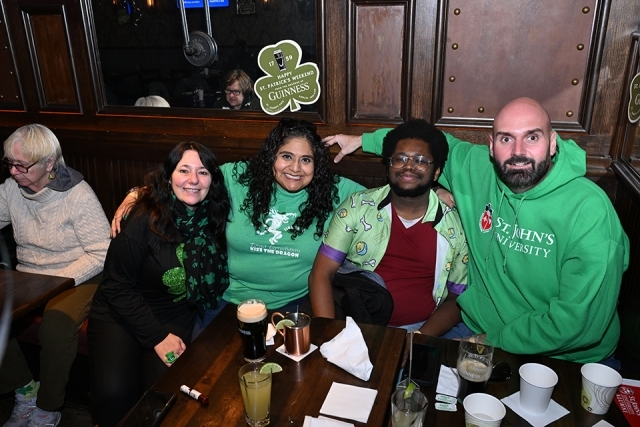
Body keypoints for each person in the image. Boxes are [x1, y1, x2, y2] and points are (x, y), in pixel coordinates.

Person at [324, 97, 630, 364]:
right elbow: (429, 139)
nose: (518, 152)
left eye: (532, 138)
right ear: (491, 145)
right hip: (473, 327)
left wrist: (485, 343)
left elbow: (578, 324)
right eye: (506, 139)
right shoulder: (478, 169)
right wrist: (363, 141)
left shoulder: (590, 212)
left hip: (564, 355)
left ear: (553, 143)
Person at [111, 119, 364, 336]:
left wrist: (366, 140)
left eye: (306, 159)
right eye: (286, 156)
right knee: (202, 375)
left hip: (293, 305)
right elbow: (191, 182)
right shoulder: (237, 177)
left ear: (316, 164)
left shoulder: (336, 191)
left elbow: (393, 196)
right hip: (227, 302)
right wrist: (139, 192)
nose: (295, 168)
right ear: (271, 156)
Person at [88, 141, 230, 427]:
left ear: (212, 180)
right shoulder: (143, 219)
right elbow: (116, 286)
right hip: (119, 315)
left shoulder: (215, 216)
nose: (193, 180)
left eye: (202, 172)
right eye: (184, 170)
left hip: (174, 316)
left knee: (166, 393)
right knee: (114, 394)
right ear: (168, 176)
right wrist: (155, 336)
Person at [309, 119, 468, 334]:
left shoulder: (455, 225)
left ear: (437, 172)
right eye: (399, 159)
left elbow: (457, 297)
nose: (408, 166)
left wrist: (418, 340)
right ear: (388, 165)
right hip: (356, 324)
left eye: (420, 160)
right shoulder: (357, 207)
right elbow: (321, 274)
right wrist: (329, 336)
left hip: (423, 329)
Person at [0, 124, 110, 427]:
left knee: (56, 326)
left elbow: (101, 253)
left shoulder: (78, 194)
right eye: (9, 163)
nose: (13, 172)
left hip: (79, 274)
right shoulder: (12, 190)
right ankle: (25, 391)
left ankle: (48, 408)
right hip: (30, 276)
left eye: (21, 165)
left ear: (49, 163)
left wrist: (56, 282)